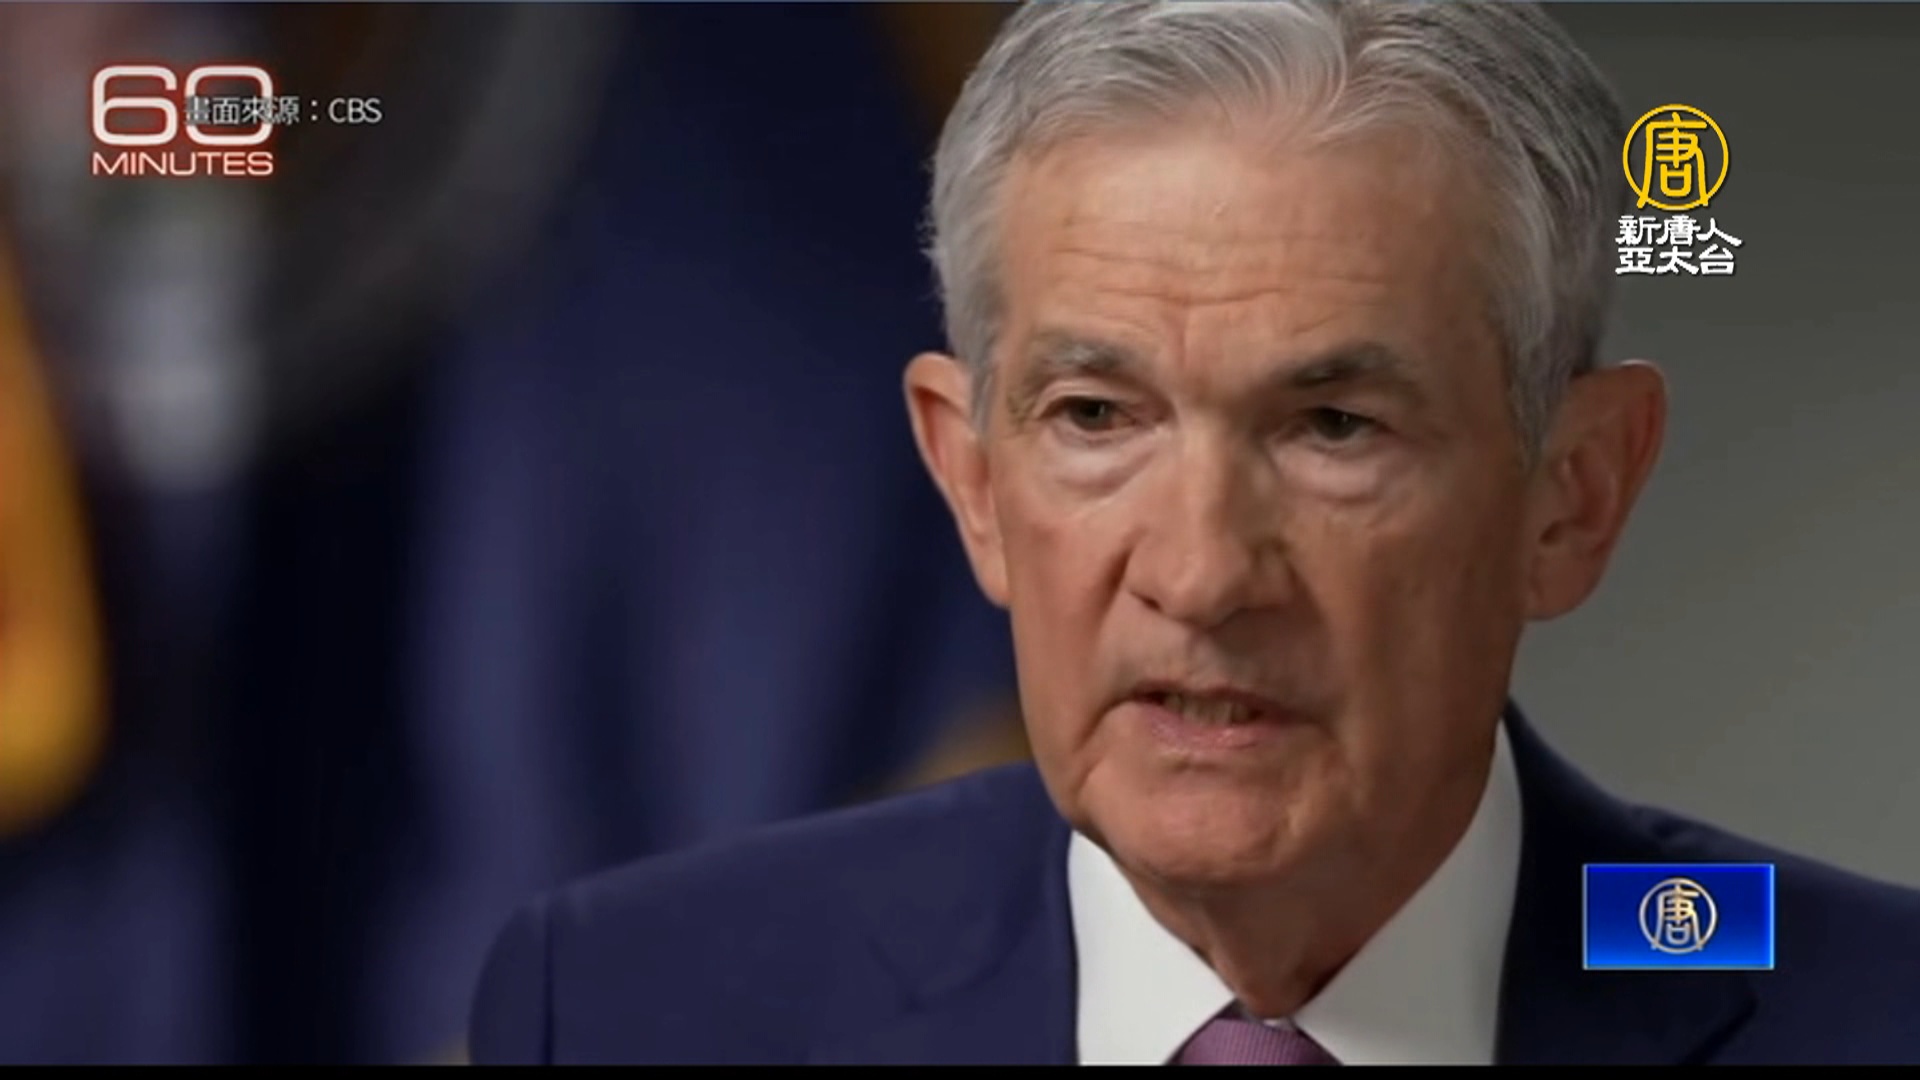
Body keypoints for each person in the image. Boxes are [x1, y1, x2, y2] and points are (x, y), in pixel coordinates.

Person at [466, 1, 1920, 1064]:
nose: (1202, 574)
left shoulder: (1875, 1014)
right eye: (1097, 417)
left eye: (1334, 427)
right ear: (971, 481)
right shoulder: (627, 1006)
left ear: (1575, 493)